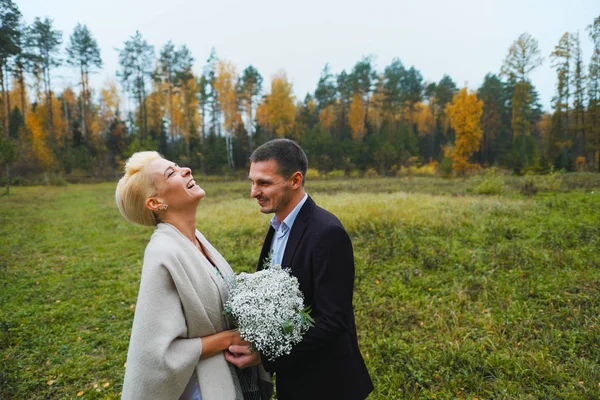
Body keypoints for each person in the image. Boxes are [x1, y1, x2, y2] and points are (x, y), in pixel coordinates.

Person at [115, 151, 272, 400]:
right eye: (171, 173)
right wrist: (231, 337)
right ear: (155, 203)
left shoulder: (197, 240)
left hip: (233, 372)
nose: (185, 169)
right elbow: (161, 354)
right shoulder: (162, 253)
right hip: (201, 388)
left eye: (177, 166)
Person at [226, 139, 373, 400]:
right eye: (252, 181)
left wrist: (267, 355)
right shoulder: (277, 226)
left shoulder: (327, 233)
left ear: (295, 180)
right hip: (293, 380)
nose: (253, 192)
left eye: (264, 183)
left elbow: (333, 321)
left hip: (328, 384)